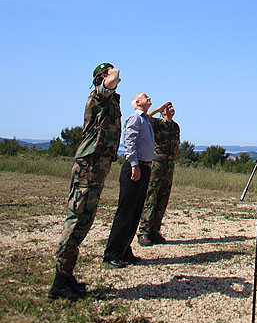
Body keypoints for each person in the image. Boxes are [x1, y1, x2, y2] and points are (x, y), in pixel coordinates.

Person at [49, 62, 122, 301]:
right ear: (102, 76)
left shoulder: (110, 99)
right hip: (88, 166)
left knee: (84, 220)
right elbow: (111, 80)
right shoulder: (98, 95)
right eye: (109, 71)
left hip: (97, 167)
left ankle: (66, 276)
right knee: (77, 219)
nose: (116, 74)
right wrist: (111, 72)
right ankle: (59, 282)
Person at [103, 92, 155, 268]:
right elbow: (129, 142)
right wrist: (134, 165)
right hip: (135, 167)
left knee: (135, 211)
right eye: (145, 96)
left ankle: (124, 249)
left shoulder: (146, 120)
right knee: (126, 211)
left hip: (144, 167)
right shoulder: (135, 118)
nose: (149, 98)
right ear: (138, 102)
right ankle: (112, 253)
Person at [137, 101, 180, 246]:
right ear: (163, 112)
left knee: (163, 198)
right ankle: (144, 232)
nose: (171, 108)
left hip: (169, 165)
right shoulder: (157, 123)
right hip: (157, 164)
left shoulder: (175, 126)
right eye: (168, 107)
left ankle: (155, 231)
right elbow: (145, 117)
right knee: (151, 197)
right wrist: (158, 109)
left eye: (172, 107)